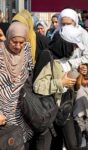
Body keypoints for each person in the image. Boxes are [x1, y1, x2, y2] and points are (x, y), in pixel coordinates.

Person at [0, 21, 33, 149]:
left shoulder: (26, 50)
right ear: (8, 37)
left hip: (22, 110)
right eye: (14, 42)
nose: (18, 46)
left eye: (21, 42)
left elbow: (30, 74)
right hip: (2, 111)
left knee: (20, 143)